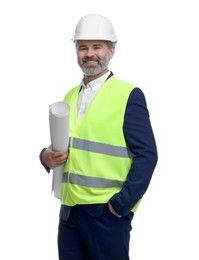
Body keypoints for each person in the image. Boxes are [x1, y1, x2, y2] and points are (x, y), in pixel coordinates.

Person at [39, 14, 158, 260]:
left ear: (111, 51)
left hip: (106, 215)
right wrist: (45, 157)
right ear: (76, 51)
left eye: (97, 47)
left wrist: (120, 207)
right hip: (69, 214)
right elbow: (70, 146)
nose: (89, 53)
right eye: (83, 47)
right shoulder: (70, 96)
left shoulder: (128, 95)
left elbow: (148, 155)